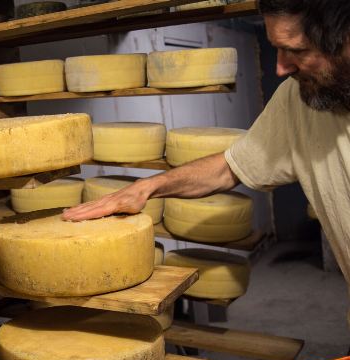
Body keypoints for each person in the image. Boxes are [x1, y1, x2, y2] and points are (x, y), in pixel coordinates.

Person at [63, 0, 350, 324]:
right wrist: (147, 187)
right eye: (276, 49)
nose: (280, 68)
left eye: (296, 50)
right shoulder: (298, 100)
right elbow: (229, 167)